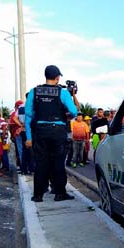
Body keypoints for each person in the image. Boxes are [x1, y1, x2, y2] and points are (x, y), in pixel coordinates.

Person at [25, 65, 79, 202]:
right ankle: (60, 193)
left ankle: (38, 195)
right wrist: (67, 116)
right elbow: (74, 111)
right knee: (58, 163)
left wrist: (29, 137)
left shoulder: (34, 92)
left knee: (41, 163)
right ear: (57, 78)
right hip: (57, 131)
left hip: (40, 131)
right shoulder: (62, 92)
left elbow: (28, 115)